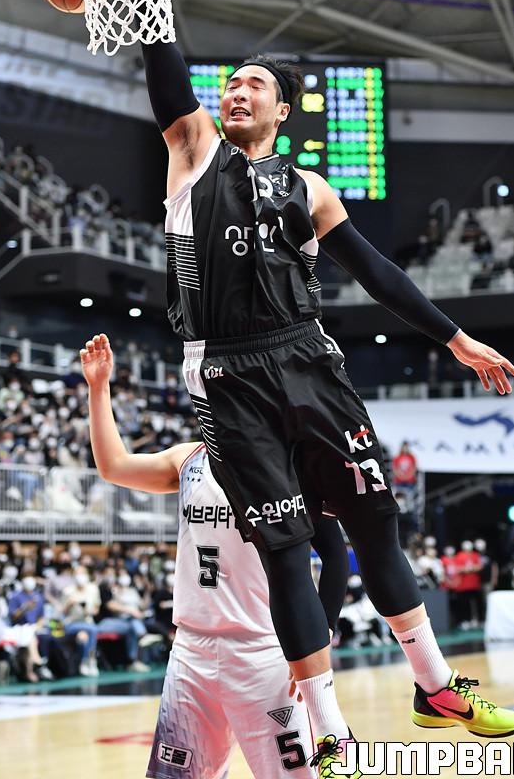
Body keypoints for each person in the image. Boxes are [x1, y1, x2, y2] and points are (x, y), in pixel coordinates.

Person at [119, 0, 514, 770]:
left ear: (282, 110)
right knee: (287, 549)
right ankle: (331, 733)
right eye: (230, 84)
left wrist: (454, 338)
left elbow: (376, 271)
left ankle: (435, 686)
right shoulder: (193, 151)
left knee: (375, 522)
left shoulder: (310, 188)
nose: (235, 91)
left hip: (307, 357)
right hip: (226, 375)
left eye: (253, 85)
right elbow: (164, 64)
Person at [81, 332, 350, 779]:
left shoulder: (289, 466)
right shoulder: (189, 459)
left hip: (266, 651)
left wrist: (314, 644)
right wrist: (98, 388)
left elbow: (335, 557)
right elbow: (114, 467)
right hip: (192, 650)